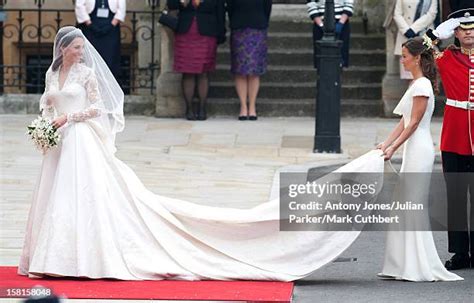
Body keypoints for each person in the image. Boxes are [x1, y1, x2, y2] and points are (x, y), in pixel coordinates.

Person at [19, 26, 391, 281]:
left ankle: (83, 256)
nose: (82, 52)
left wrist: (69, 118)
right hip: (60, 141)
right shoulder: (54, 74)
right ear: (63, 49)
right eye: (77, 48)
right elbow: (47, 102)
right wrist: (46, 123)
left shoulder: (86, 74)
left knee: (82, 196)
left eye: (83, 47)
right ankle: (53, 256)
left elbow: (99, 109)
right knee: (56, 197)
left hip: (81, 139)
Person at [376, 37, 462, 281]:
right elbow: (403, 120)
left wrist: (393, 149)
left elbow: (414, 123)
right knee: (404, 204)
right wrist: (387, 142)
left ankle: (417, 265)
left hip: (420, 149)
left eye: (404, 56)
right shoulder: (417, 84)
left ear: (416, 58)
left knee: (412, 204)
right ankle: (401, 264)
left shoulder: (422, 86)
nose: (401, 60)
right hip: (413, 148)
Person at [424, 7, 474, 270]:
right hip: (454, 137)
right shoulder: (447, 57)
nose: (469, 33)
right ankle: (460, 253)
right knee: (455, 197)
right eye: (464, 29)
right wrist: (435, 34)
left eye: (472, 29)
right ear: (455, 32)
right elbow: (422, 52)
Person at [168, 0, 226, 121]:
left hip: (207, 32)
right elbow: (171, 4)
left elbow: (220, 11)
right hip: (186, 32)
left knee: (203, 72)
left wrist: (221, 34)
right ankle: (189, 109)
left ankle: (202, 108)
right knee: (187, 71)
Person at [226, 0, 272, 121]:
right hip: (239, 28)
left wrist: (263, 22)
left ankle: (252, 106)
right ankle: (243, 106)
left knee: (254, 70)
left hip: (257, 27)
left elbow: (267, 7)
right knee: (240, 70)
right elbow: (230, 7)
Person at [75, 0, 126, 80]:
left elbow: (121, 8)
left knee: (110, 58)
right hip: (90, 28)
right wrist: (89, 24)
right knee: (89, 57)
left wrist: (112, 25)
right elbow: (80, 5)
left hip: (110, 29)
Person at [393, 0, 438, 79]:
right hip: (406, 35)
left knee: (426, 74)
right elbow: (397, 14)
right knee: (409, 77)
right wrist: (406, 30)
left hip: (425, 34)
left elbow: (432, 14)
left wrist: (414, 29)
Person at [306, 0, 353, 68]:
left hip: (341, 23)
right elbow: (311, 4)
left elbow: (349, 4)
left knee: (340, 58)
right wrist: (321, 25)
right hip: (320, 23)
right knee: (321, 58)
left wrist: (340, 23)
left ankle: (338, 75)